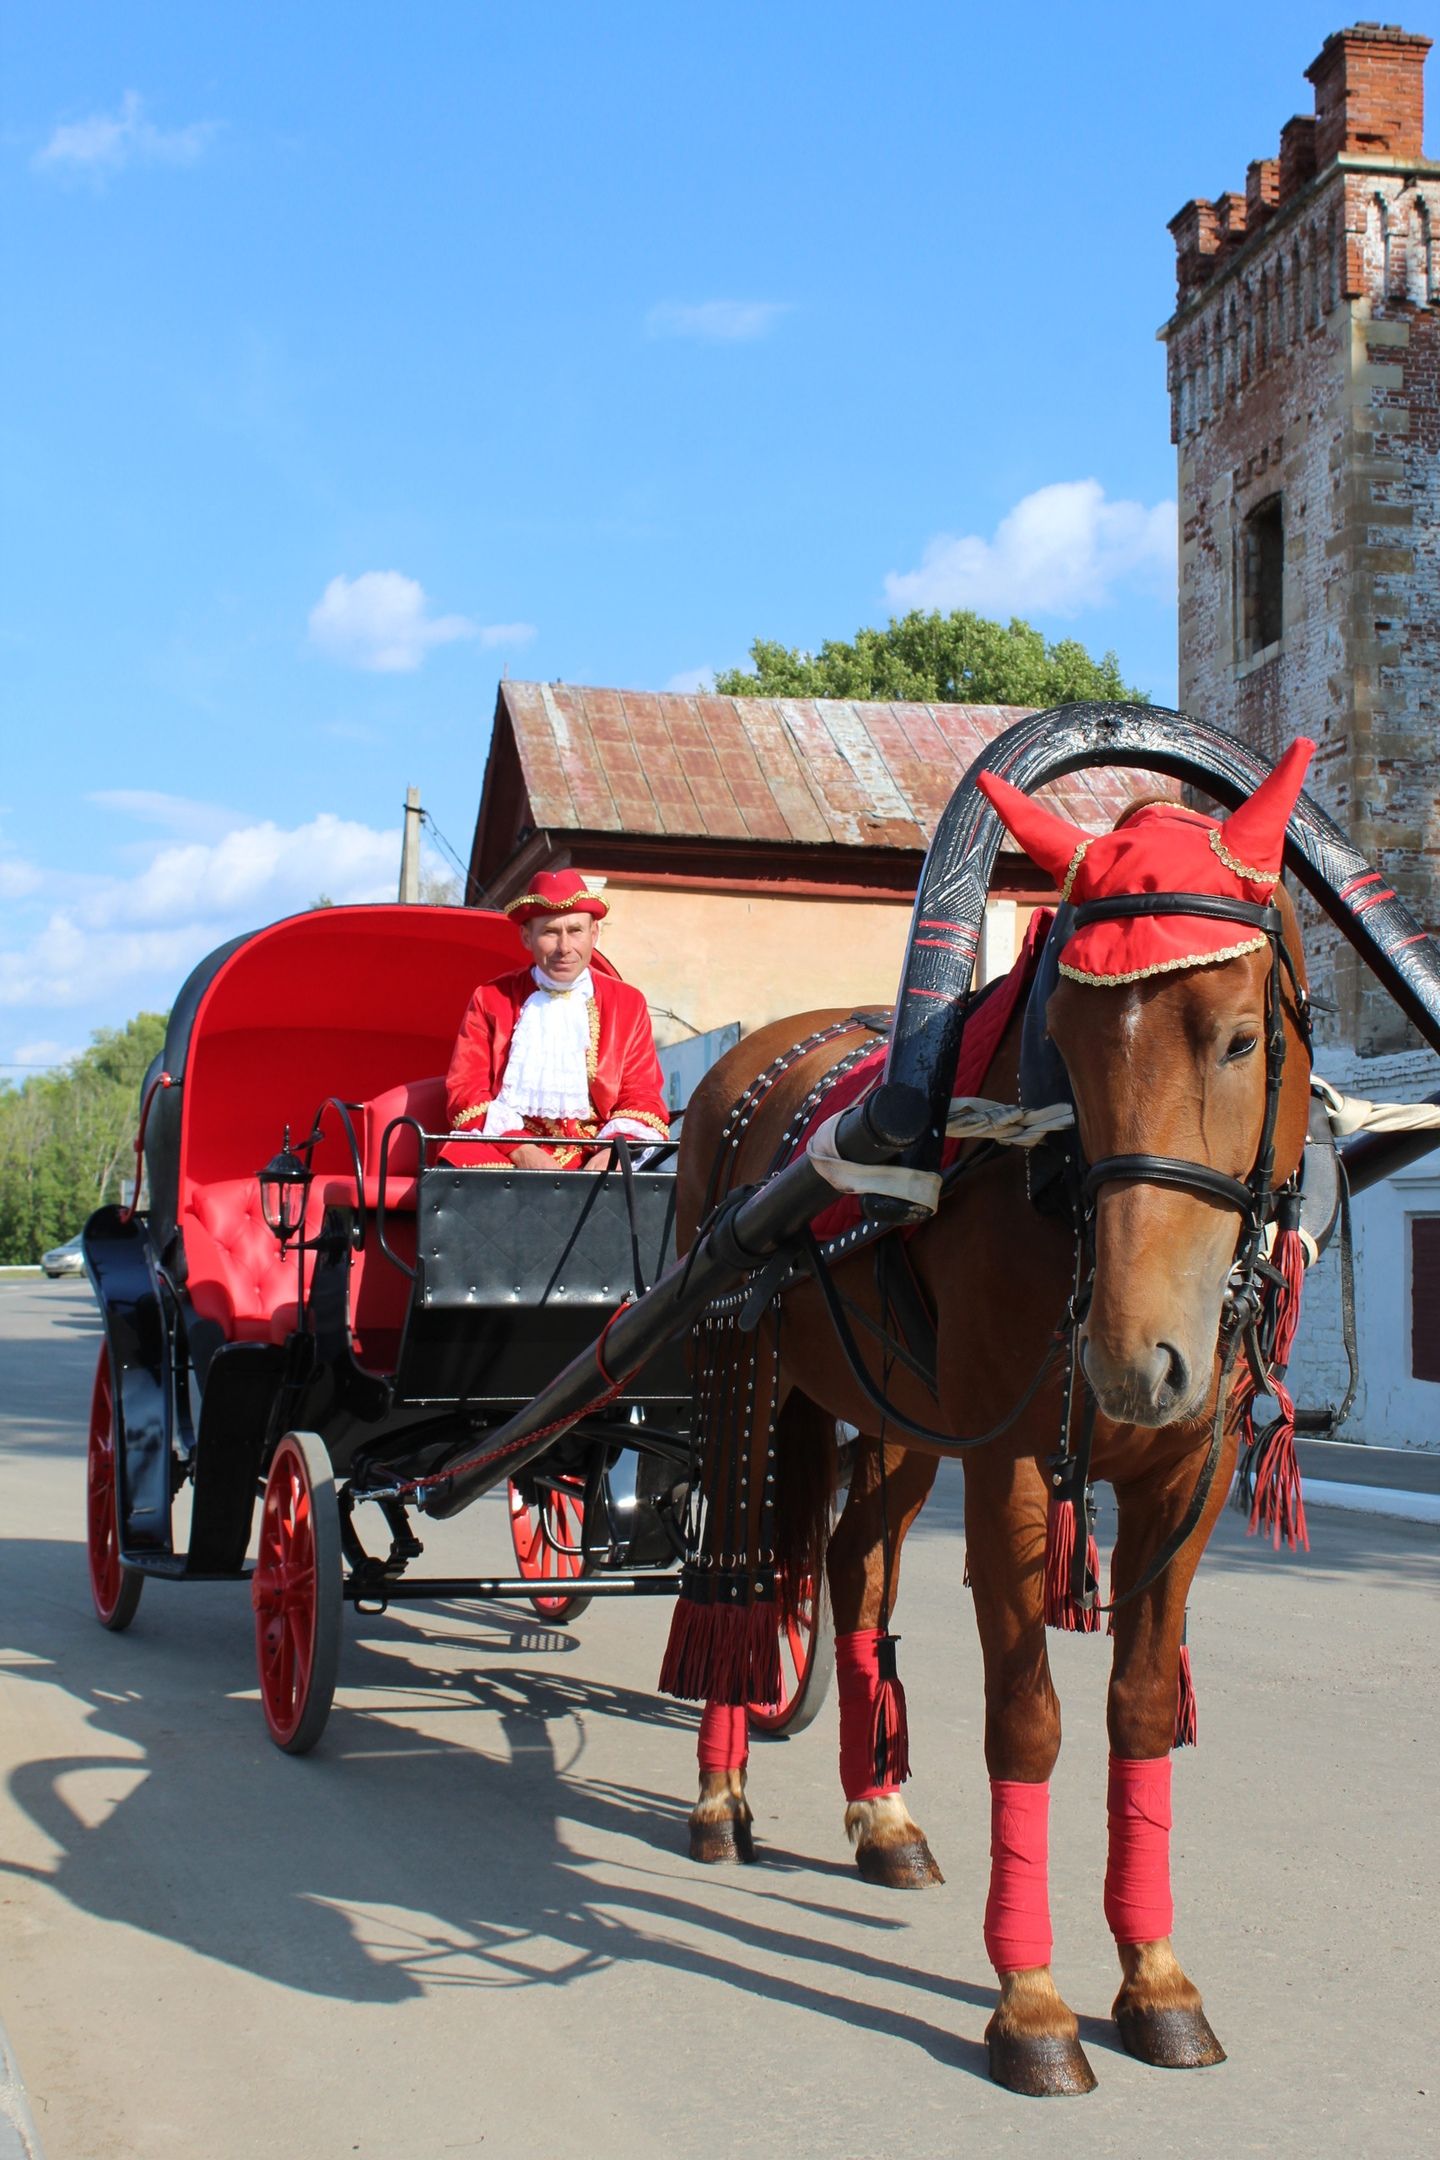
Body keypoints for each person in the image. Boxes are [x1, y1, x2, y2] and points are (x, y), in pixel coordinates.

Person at [443, 869, 670, 1170]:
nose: (565, 948)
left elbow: (641, 1095)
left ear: (595, 933)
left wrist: (609, 1157)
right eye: (550, 932)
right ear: (527, 936)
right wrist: (522, 1152)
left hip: (597, 1149)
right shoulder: (491, 998)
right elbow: (466, 1092)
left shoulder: (627, 1003)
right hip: (506, 1146)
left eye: (575, 930)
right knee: (457, 1172)